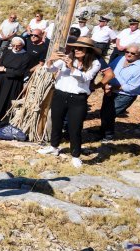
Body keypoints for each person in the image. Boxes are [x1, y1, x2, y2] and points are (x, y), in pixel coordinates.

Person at [38, 37, 102, 168]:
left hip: (78, 98)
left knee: (75, 127)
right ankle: (54, 147)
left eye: (80, 48)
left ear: (88, 50)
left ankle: (75, 155)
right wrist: (51, 59)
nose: (77, 50)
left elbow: (86, 78)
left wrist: (71, 67)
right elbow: (50, 70)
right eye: (75, 48)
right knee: (56, 121)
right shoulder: (68, 57)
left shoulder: (95, 63)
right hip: (60, 95)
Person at [99, 44, 140, 140]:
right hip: (109, 89)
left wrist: (112, 87)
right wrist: (106, 85)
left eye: (133, 53)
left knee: (110, 113)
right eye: (127, 51)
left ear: (139, 54)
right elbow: (108, 71)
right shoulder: (120, 58)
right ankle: (102, 131)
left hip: (125, 95)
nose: (129, 54)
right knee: (104, 112)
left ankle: (108, 136)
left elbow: (131, 87)